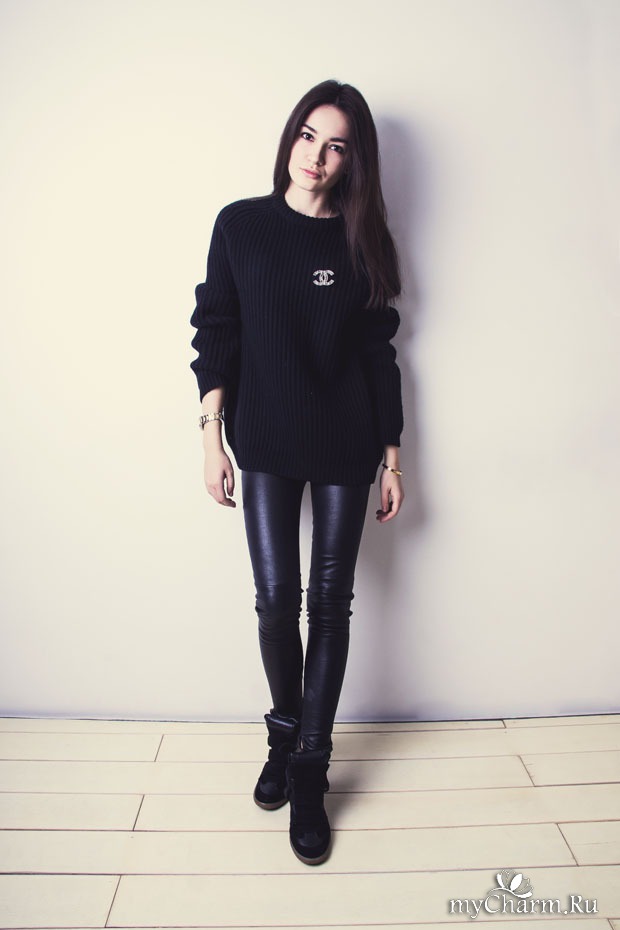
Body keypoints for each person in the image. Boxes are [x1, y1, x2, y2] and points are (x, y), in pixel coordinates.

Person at [189, 79, 404, 866]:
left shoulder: (361, 239)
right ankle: (285, 733)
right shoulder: (240, 225)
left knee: (330, 605)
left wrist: (393, 455)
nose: (317, 156)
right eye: (309, 136)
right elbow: (217, 328)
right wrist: (211, 437)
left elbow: (379, 351)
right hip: (264, 439)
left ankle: (310, 767)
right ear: (290, 138)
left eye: (337, 145)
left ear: (353, 160)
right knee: (277, 602)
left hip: (347, 441)